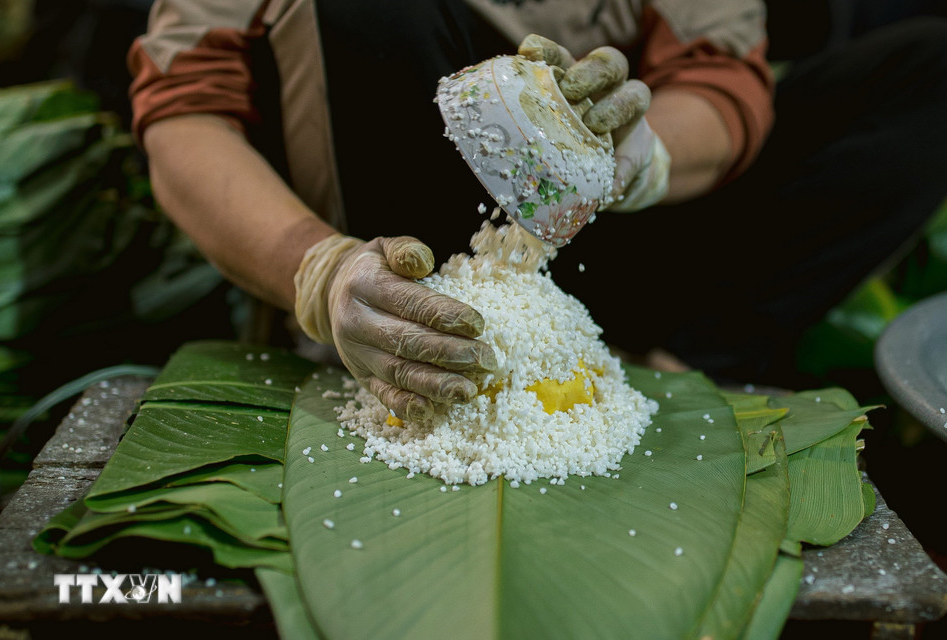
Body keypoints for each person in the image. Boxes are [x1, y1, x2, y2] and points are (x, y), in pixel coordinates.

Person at [127, 1, 947, 417]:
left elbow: (719, 76)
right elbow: (187, 108)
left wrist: (634, 153)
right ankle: (419, 351)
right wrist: (318, 267)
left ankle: (667, 361)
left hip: (612, 235)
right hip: (401, 234)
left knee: (928, 72)